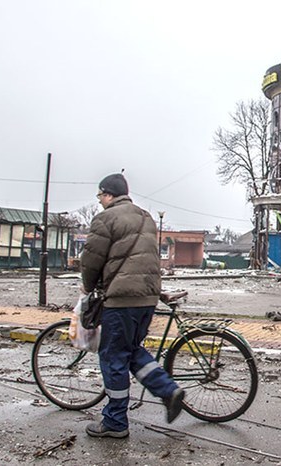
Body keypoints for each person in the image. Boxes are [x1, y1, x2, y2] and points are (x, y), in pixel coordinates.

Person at [80, 173, 184, 438]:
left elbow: (92, 258)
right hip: (146, 298)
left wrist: (88, 287)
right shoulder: (145, 217)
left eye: (100, 195)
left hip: (121, 299)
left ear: (108, 194)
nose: (99, 200)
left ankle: (115, 421)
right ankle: (168, 390)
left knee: (113, 356)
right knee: (131, 350)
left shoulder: (105, 218)